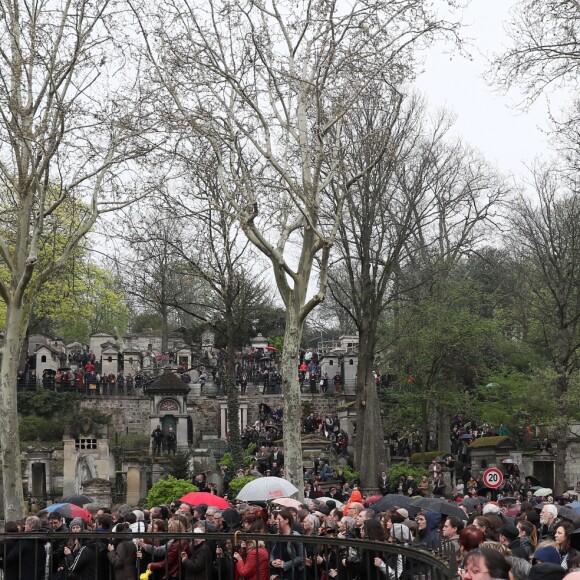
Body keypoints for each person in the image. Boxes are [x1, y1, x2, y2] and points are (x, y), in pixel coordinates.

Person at [4, 516, 46, 580]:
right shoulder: (43, 539)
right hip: (40, 575)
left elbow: (11, 557)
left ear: (30, 527)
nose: (24, 526)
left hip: (27, 575)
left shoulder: (25, 541)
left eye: (26, 524)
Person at [270, 508, 304, 580]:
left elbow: (302, 556)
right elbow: (272, 553)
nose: (276, 521)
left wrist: (285, 565)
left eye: (278, 519)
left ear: (286, 520)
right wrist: (272, 562)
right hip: (277, 573)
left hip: (292, 573)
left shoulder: (295, 535)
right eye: (275, 519)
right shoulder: (278, 535)